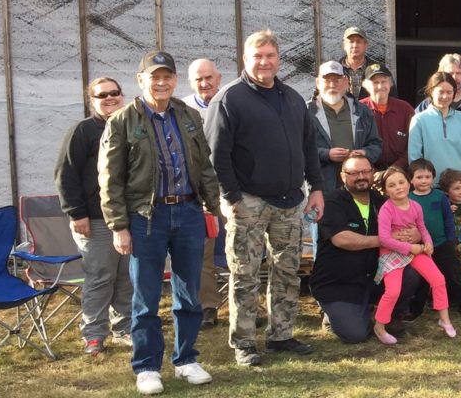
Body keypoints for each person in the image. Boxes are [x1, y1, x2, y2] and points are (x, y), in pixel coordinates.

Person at [99, 51, 220, 393]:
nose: (162, 83)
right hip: (145, 218)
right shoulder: (122, 121)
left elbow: (204, 165)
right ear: (141, 80)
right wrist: (118, 226)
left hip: (188, 212)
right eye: (155, 77)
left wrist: (214, 206)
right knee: (146, 296)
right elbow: (109, 180)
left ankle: (186, 359)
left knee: (189, 292)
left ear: (175, 80)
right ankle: (147, 366)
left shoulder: (188, 115)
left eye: (167, 76)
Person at [205, 29, 324, 366]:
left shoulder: (293, 99)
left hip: (290, 201)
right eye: (257, 56)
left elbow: (308, 147)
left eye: (270, 56)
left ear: (279, 59)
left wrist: (315, 188)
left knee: (287, 271)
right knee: (245, 274)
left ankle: (281, 335)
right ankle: (244, 342)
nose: (264, 62)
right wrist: (231, 197)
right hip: (248, 201)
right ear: (245, 59)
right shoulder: (229, 100)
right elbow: (216, 155)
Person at [312, 156, 428, 344]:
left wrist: (415, 234)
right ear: (343, 176)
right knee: (356, 335)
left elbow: (408, 225)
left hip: (374, 276)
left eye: (365, 171)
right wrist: (387, 240)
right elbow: (342, 239)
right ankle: (332, 316)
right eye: (354, 173)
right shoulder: (331, 201)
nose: (361, 176)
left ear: (372, 173)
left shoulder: (383, 202)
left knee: (410, 273)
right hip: (339, 283)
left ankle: (392, 317)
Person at [55, 77, 130, 355]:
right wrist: (76, 213)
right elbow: (65, 175)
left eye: (114, 93)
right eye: (102, 95)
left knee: (127, 277)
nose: (109, 98)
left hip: (129, 217)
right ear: (92, 101)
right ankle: (94, 335)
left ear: (122, 96)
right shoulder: (83, 131)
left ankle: (124, 329)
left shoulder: (132, 126)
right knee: (100, 277)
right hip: (95, 220)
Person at [371, 166, 455, 344]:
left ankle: (444, 319)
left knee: (438, 279)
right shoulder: (387, 210)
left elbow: (422, 228)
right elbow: (384, 239)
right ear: (386, 190)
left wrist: (428, 242)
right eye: (392, 185)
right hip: (392, 253)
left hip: (415, 250)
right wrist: (410, 247)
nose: (398, 187)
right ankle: (379, 326)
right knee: (393, 291)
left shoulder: (415, 206)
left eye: (401, 182)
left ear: (408, 183)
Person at [407, 161, 461, 318]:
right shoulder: (408, 199)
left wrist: (450, 239)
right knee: (421, 279)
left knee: (454, 275)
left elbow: (448, 219)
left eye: (427, 176)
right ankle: (414, 309)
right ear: (411, 180)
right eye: (419, 177)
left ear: (433, 178)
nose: (423, 180)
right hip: (420, 247)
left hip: (442, 244)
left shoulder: (440, 196)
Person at [184, 59, 226, 327]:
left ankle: (247, 306)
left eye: (209, 77)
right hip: (200, 194)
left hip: (233, 190)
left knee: (243, 250)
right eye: (198, 79)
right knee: (202, 251)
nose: (204, 83)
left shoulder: (232, 102)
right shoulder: (182, 110)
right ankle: (208, 306)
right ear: (191, 83)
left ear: (218, 78)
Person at [408, 73, 461, 206]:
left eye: (449, 92)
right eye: (441, 92)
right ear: (431, 91)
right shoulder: (419, 120)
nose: (445, 96)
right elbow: (415, 159)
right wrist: (421, 186)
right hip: (432, 188)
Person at [309, 60, 383, 191]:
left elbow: (376, 145)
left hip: (358, 185)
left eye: (337, 80)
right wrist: (326, 154)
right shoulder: (305, 112)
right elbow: (297, 149)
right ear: (318, 83)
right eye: (327, 80)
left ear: (346, 82)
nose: (332, 85)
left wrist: (364, 153)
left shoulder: (362, 111)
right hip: (322, 187)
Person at [360, 64, 415, 170]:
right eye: (375, 82)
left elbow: (414, 143)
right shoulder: (359, 109)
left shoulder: (405, 109)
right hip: (367, 172)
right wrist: (371, 171)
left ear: (390, 83)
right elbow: (355, 145)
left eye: (384, 81)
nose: (380, 86)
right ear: (366, 86)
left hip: (401, 171)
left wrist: (395, 169)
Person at [338, 27, 381, 98]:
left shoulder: (378, 70)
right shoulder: (335, 70)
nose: (355, 46)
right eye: (351, 42)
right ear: (344, 45)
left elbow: (391, 98)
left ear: (366, 45)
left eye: (358, 42)